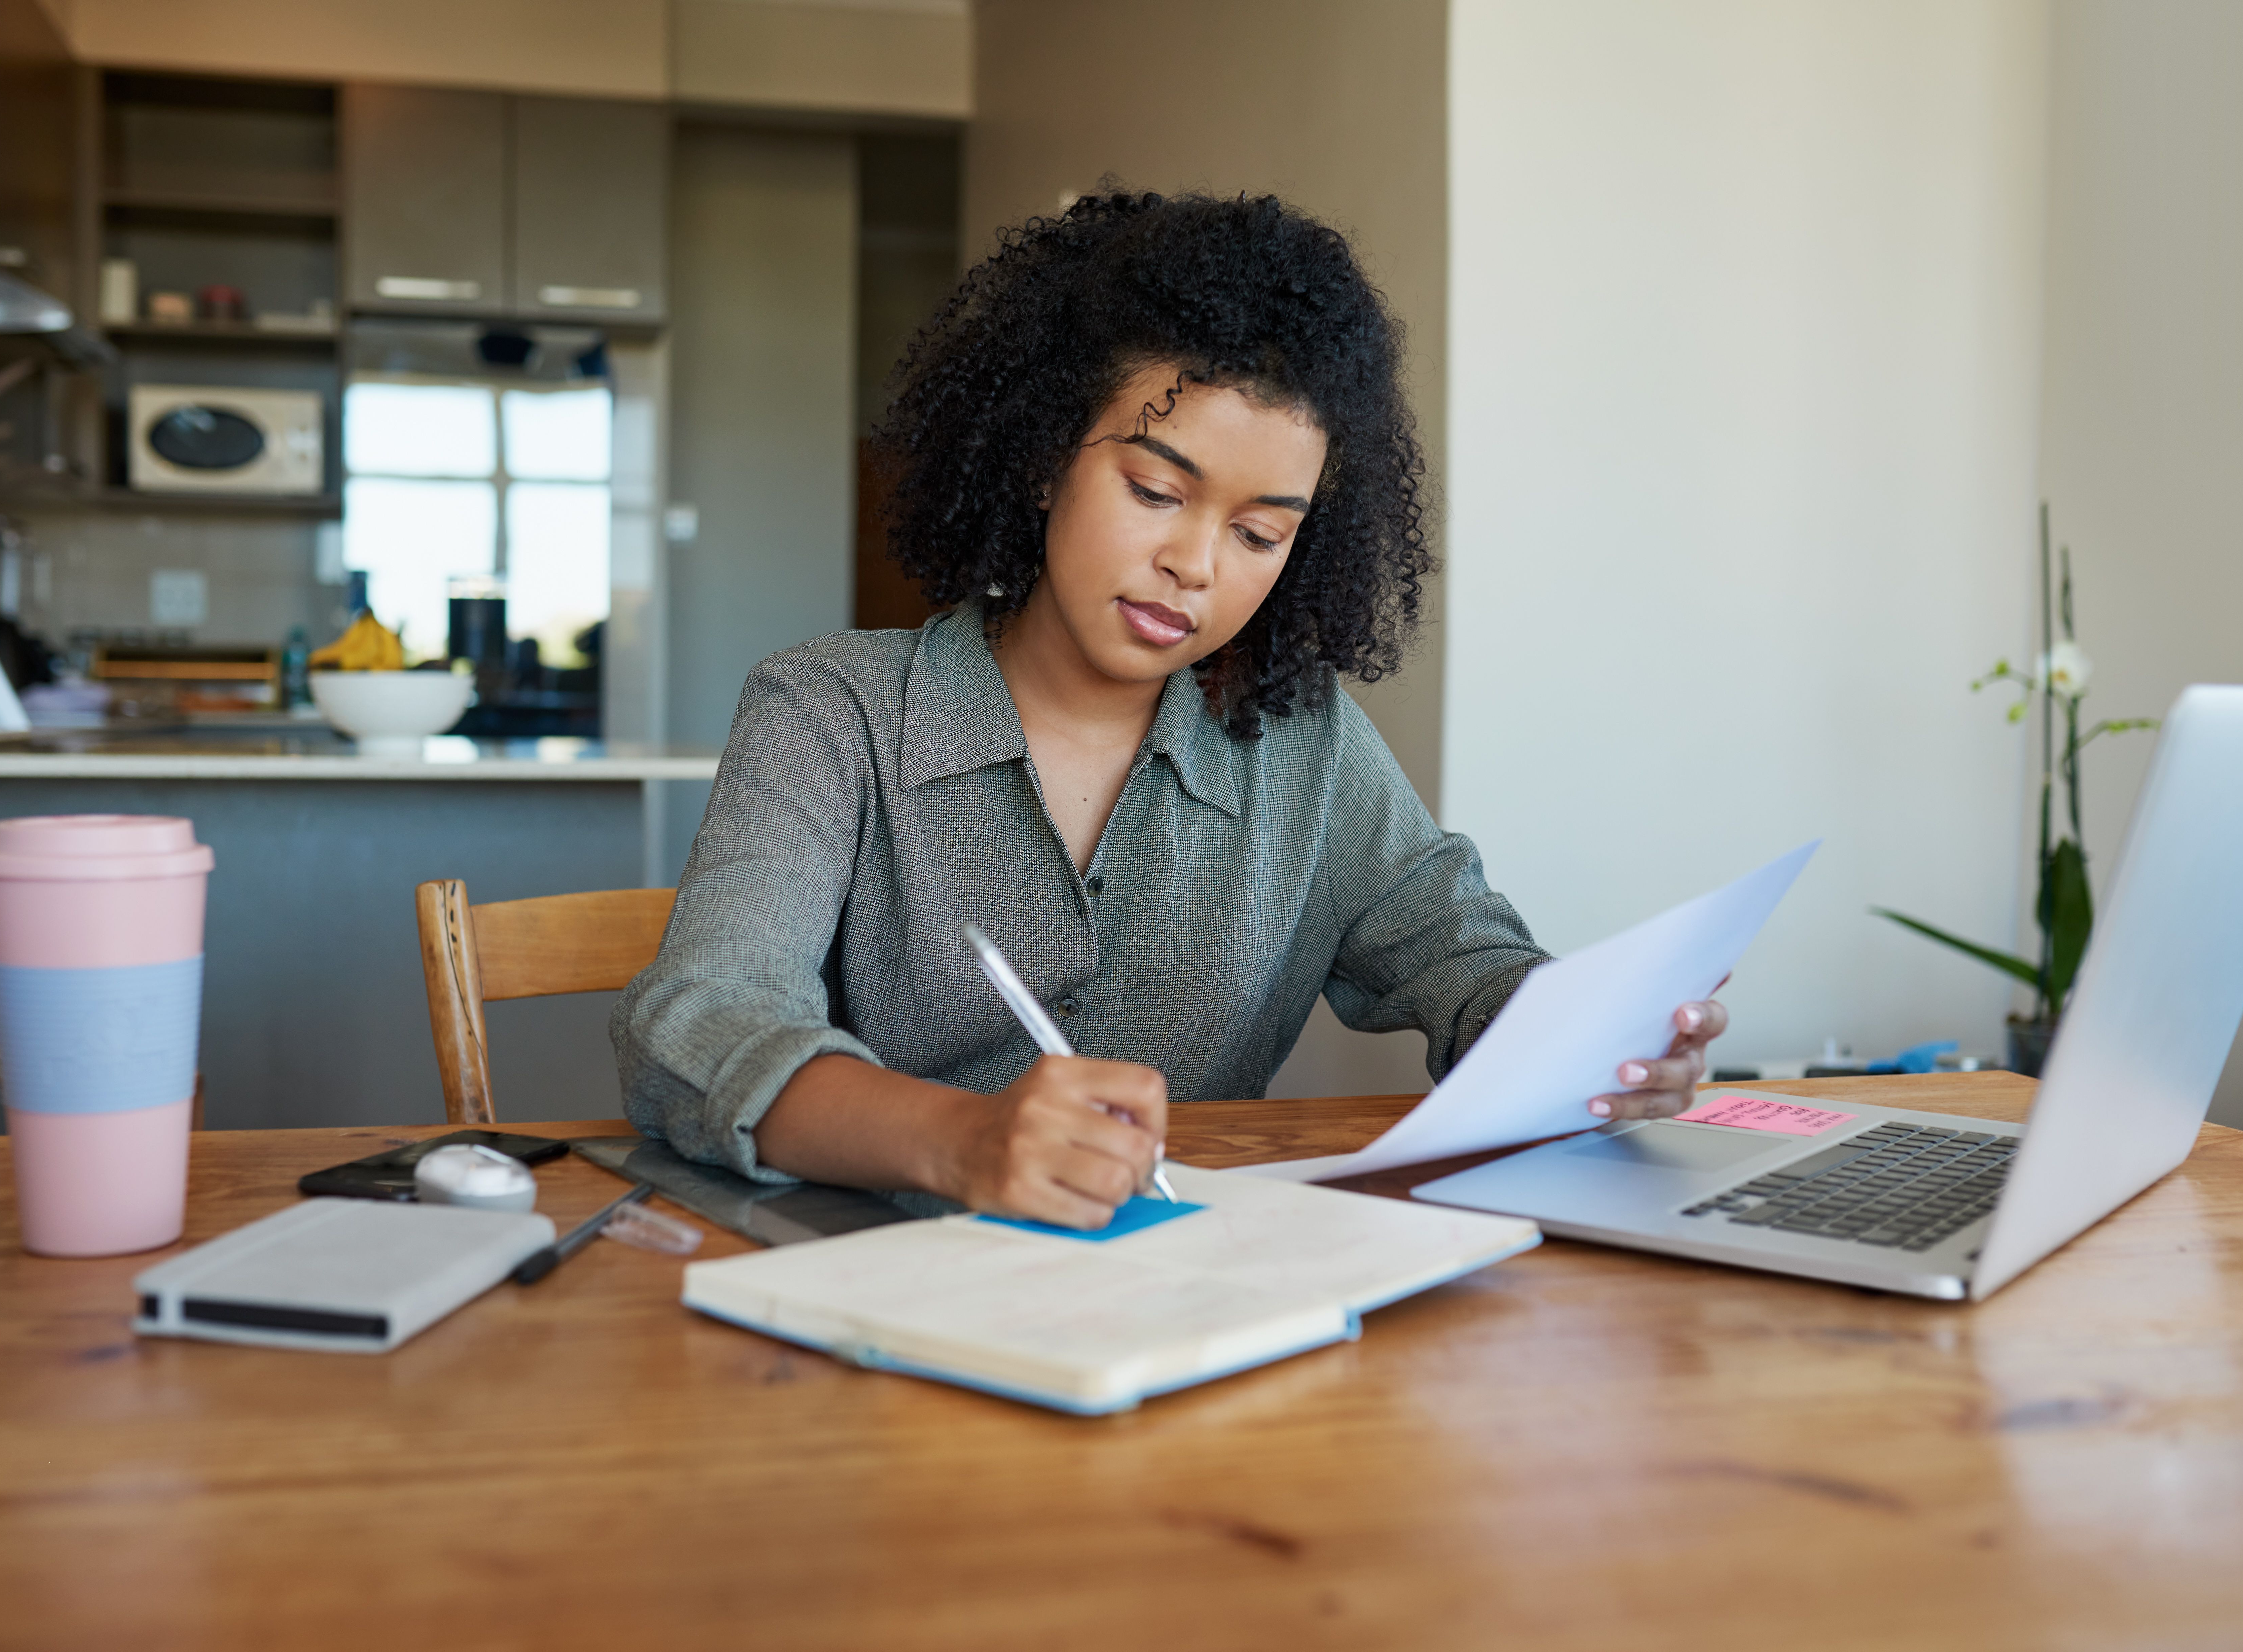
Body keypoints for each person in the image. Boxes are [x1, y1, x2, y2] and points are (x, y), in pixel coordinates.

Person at [613, 189, 1728, 1228]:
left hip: (1186, 1300)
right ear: (1047, 459)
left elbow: (1465, 962)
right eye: (1156, 491)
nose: (1194, 565)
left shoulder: (1307, 748)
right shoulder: (833, 709)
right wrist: (967, 1139)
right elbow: (701, 1028)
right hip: (878, 1281)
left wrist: (1589, 1043)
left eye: (1259, 534)